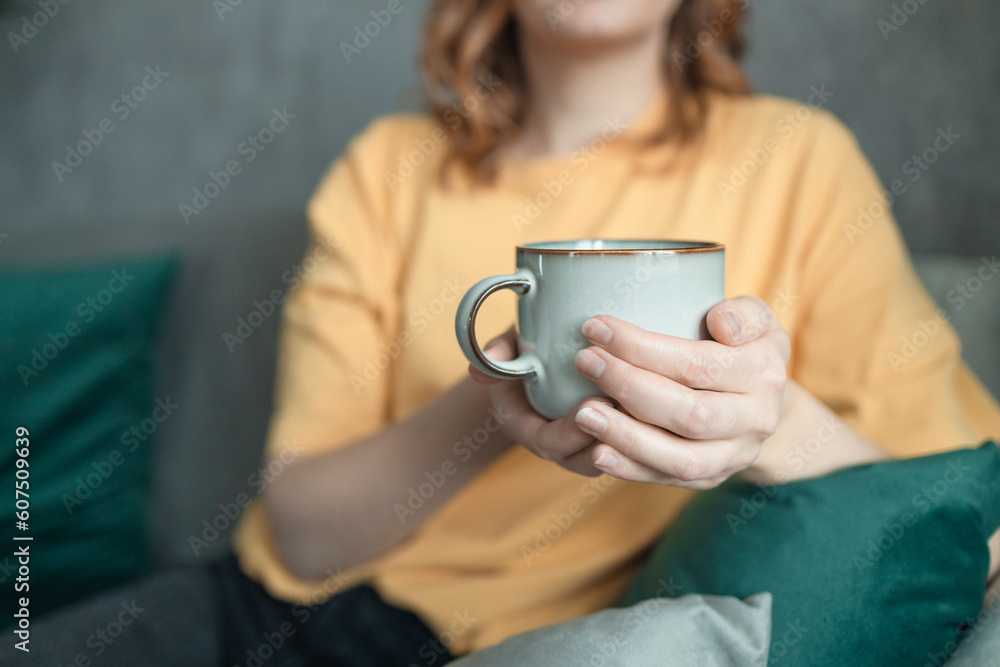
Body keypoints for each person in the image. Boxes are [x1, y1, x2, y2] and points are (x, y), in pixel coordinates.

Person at [7, 0, 1000, 665]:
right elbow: (303, 531)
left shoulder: (798, 163)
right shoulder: (387, 171)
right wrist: (498, 396)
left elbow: (966, 516)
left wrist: (767, 422)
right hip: (266, 613)